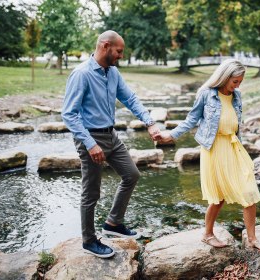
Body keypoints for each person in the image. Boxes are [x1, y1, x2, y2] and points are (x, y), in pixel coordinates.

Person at [62, 30, 160, 258]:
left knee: (131, 174)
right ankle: (88, 240)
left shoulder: (113, 73)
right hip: (90, 138)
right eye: (119, 51)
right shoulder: (82, 74)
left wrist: (149, 122)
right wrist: (90, 144)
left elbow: (130, 99)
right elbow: (69, 114)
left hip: (111, 135)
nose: (121, 56)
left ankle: (113, 223)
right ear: (105, 46)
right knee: (91, 192)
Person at [158, 59, 260, 252]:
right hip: (214, 148)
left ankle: (252, 238)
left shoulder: (237, 96)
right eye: (235, 82)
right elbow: (191, 119)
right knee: (218, 198)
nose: (237, 86)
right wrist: (171, 135)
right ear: (224, 77)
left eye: (240, 82)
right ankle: (207, 234)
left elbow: (236, 123)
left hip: (234, 147)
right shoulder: (206, 94)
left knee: (249, 191)